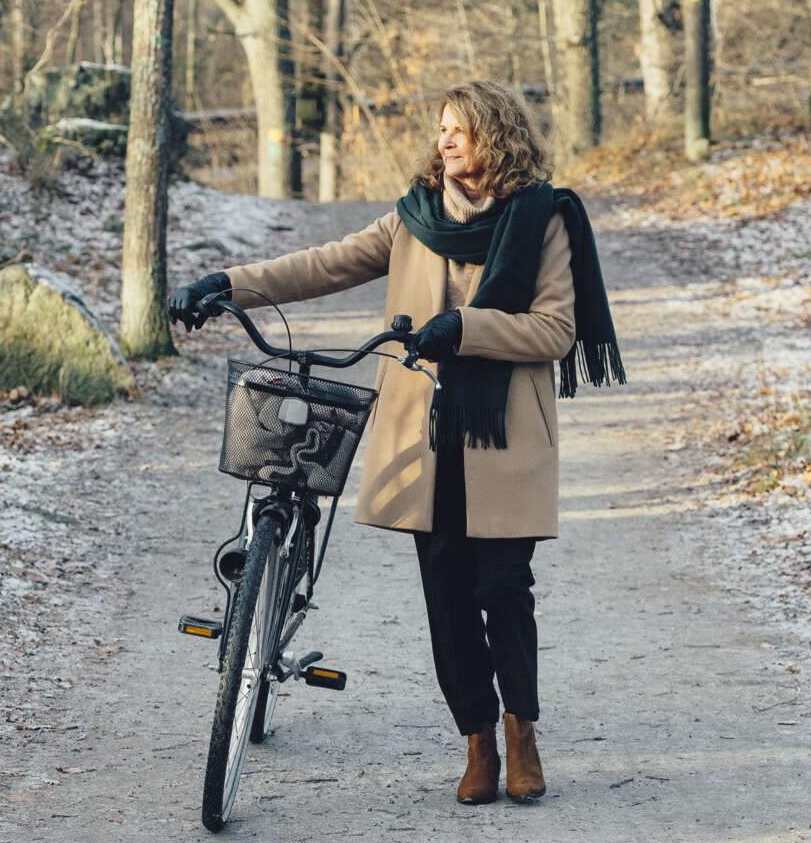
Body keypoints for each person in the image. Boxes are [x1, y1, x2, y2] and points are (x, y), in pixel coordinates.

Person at [168, 79, 624, 806]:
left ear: (496, 136)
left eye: (461, 130)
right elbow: (325, 263)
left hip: (505, 432)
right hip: (426, 433)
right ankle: (476, 738)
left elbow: (556, 330)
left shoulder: (543, 218)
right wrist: (227, 283)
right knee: (445, 591)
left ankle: (521, 732)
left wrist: (467, 330)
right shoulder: (415, 217)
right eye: (441, 129)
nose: (446, 141)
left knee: (502, 588)